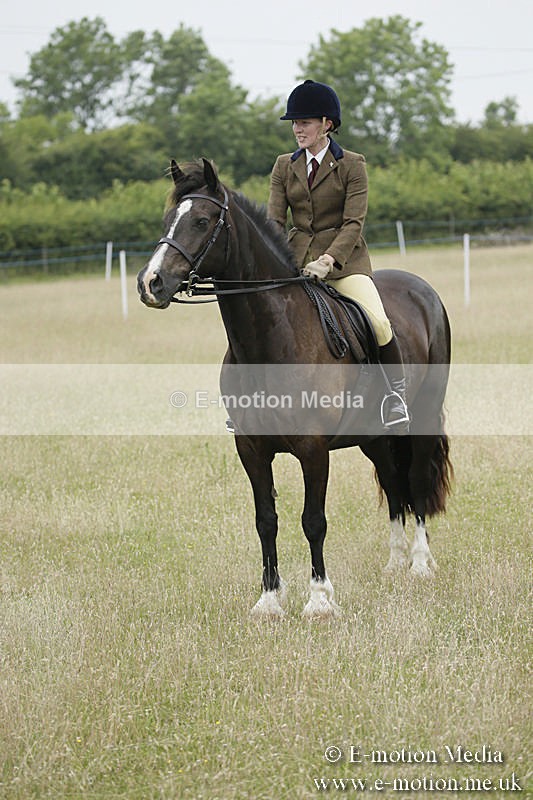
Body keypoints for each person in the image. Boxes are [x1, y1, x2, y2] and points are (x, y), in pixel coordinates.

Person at [267, 79, 409, 430]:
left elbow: (353, 224)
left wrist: (328, 260)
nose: (297, 129)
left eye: (305, 122)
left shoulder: (352, 165)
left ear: (327, 124)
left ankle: (396, 396)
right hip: (296, 264)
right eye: (295, 123)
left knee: (377, 322)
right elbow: (273, 220)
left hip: (345, 266)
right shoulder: (284, 166)